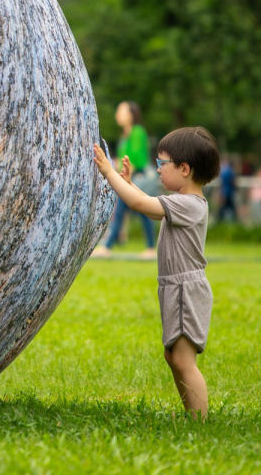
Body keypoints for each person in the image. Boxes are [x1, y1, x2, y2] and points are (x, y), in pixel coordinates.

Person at [92, 126, 218, 419]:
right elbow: (148, 208)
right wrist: (128, 183)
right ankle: (191, 414)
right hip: (175, 288)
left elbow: (140, 204)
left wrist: (109, 175)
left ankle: (199, 420)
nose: (158, 170)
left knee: (184, 360)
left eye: (162, 164)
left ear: (184, 169)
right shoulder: (182, 202)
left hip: (187, 291)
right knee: (173, 356)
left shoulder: (190, 205)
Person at [92, 101, 155, 258]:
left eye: (121, 111)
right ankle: (110, 246)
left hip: (138, 177)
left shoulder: (137, 132)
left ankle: (148, 247)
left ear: (131, 114)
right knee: (124, 211)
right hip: (126, 176)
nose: (117, 115)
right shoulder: (124, 135)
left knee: (141, 211)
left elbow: (137, 158)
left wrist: (123, 174)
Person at [216, 158, 238, 223]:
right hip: (229, 192)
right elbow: (232, 182)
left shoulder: (224, 171)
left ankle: (219, 220)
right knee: (228, 207)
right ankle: (234, 220)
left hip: (224, 192)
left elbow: (221, 183)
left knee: (225, 207)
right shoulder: (231, 171)